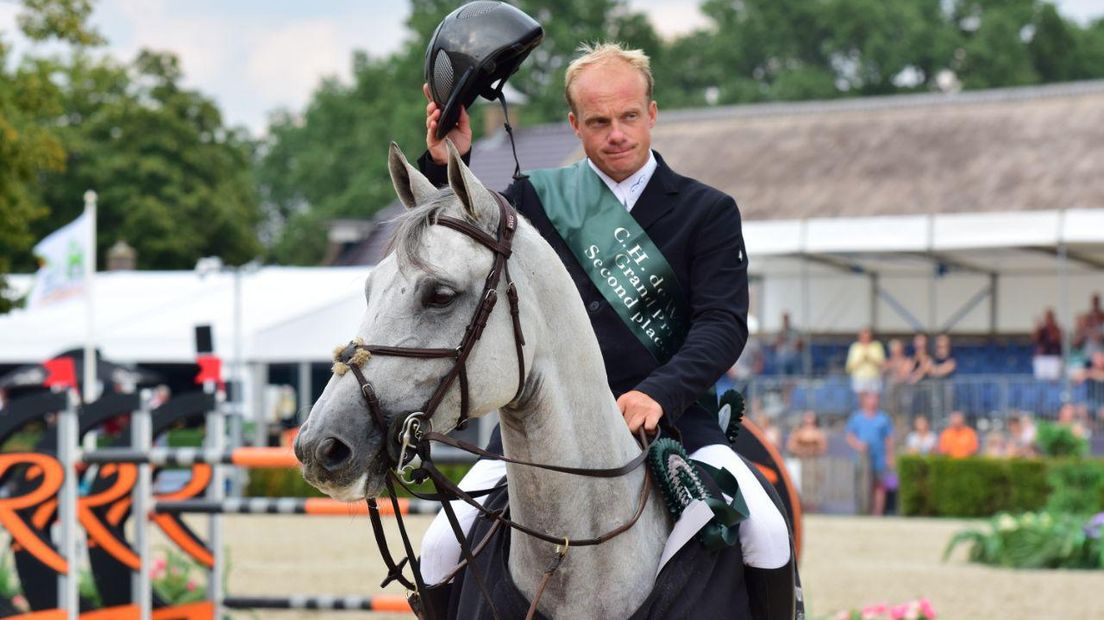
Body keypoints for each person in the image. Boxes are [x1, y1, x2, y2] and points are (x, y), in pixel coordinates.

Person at [416, 41, 791, 591]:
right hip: (542, 425)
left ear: (652, 114)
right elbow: (456, 246)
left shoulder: (707, 210)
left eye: (629, 117)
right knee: (440, 546)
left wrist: (659, 393)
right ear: (575, 124)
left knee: (768, 532)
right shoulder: (535, 200)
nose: (616, 133)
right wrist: (449, 163)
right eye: (599, 121)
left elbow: (723, 324)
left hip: (676, 421)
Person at [845, 392, 894, 516]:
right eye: (870, 399)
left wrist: (889, 457)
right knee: (863, 485)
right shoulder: (857, 418)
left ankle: (877, 513)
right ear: (864, 401)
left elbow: (888, 439)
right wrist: (858, 445)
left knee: (879, 485)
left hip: (879, 457)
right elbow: (849, 436)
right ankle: (863, 511)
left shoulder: (883, 418)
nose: (873, 402)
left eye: (875, 399)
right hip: (862, 458)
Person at [845, 327, 885, 397]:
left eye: (868, 337)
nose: (865, 339)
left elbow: (882, 364)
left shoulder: (876, 346)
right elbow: (849, 367)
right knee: (861, 400)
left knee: (873, 399)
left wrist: (870, 358)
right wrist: (861, 359)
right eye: (863, 337)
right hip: (859, 378)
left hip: (874, 378)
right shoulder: (855, 347)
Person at [1032, 309, 1063, 380]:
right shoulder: (1042, 329)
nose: (1048, 319)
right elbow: (1034, 339)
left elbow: (1055, 338)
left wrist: (1051, 327)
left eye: (1050, 317)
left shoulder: (1057, 329)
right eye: (1047, 317)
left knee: (1053, 380)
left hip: (1054, 357)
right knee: (1041, 380)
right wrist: (1037, 326)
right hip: (1042, 357)